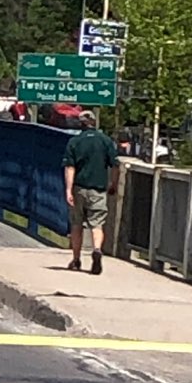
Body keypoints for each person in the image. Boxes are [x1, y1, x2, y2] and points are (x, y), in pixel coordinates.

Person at [62, 109, 119, 274]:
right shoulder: (106, 141)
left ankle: (77, 259)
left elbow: (70, 167)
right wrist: (113, 184)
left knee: (76, 224)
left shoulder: (74, 142)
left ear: (80, 124)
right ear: (94, 122)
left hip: (79, 187)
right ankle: (97, 250)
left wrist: (68, 190)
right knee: (97, 224)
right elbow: (115, 165)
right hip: (99, 190)